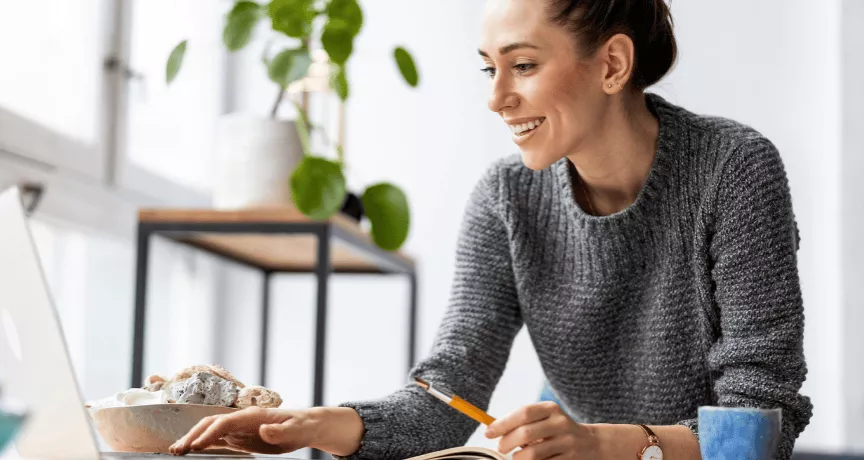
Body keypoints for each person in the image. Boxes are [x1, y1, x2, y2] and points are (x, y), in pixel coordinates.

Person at [170, 0, 813, 458]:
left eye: (523, 65)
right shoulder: (506, 198)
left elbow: (756, 423)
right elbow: (446, 397)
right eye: (488, 67)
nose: (496, 96)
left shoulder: (733, 168)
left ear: (613, 64)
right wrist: (305, 425)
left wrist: (612, 445)